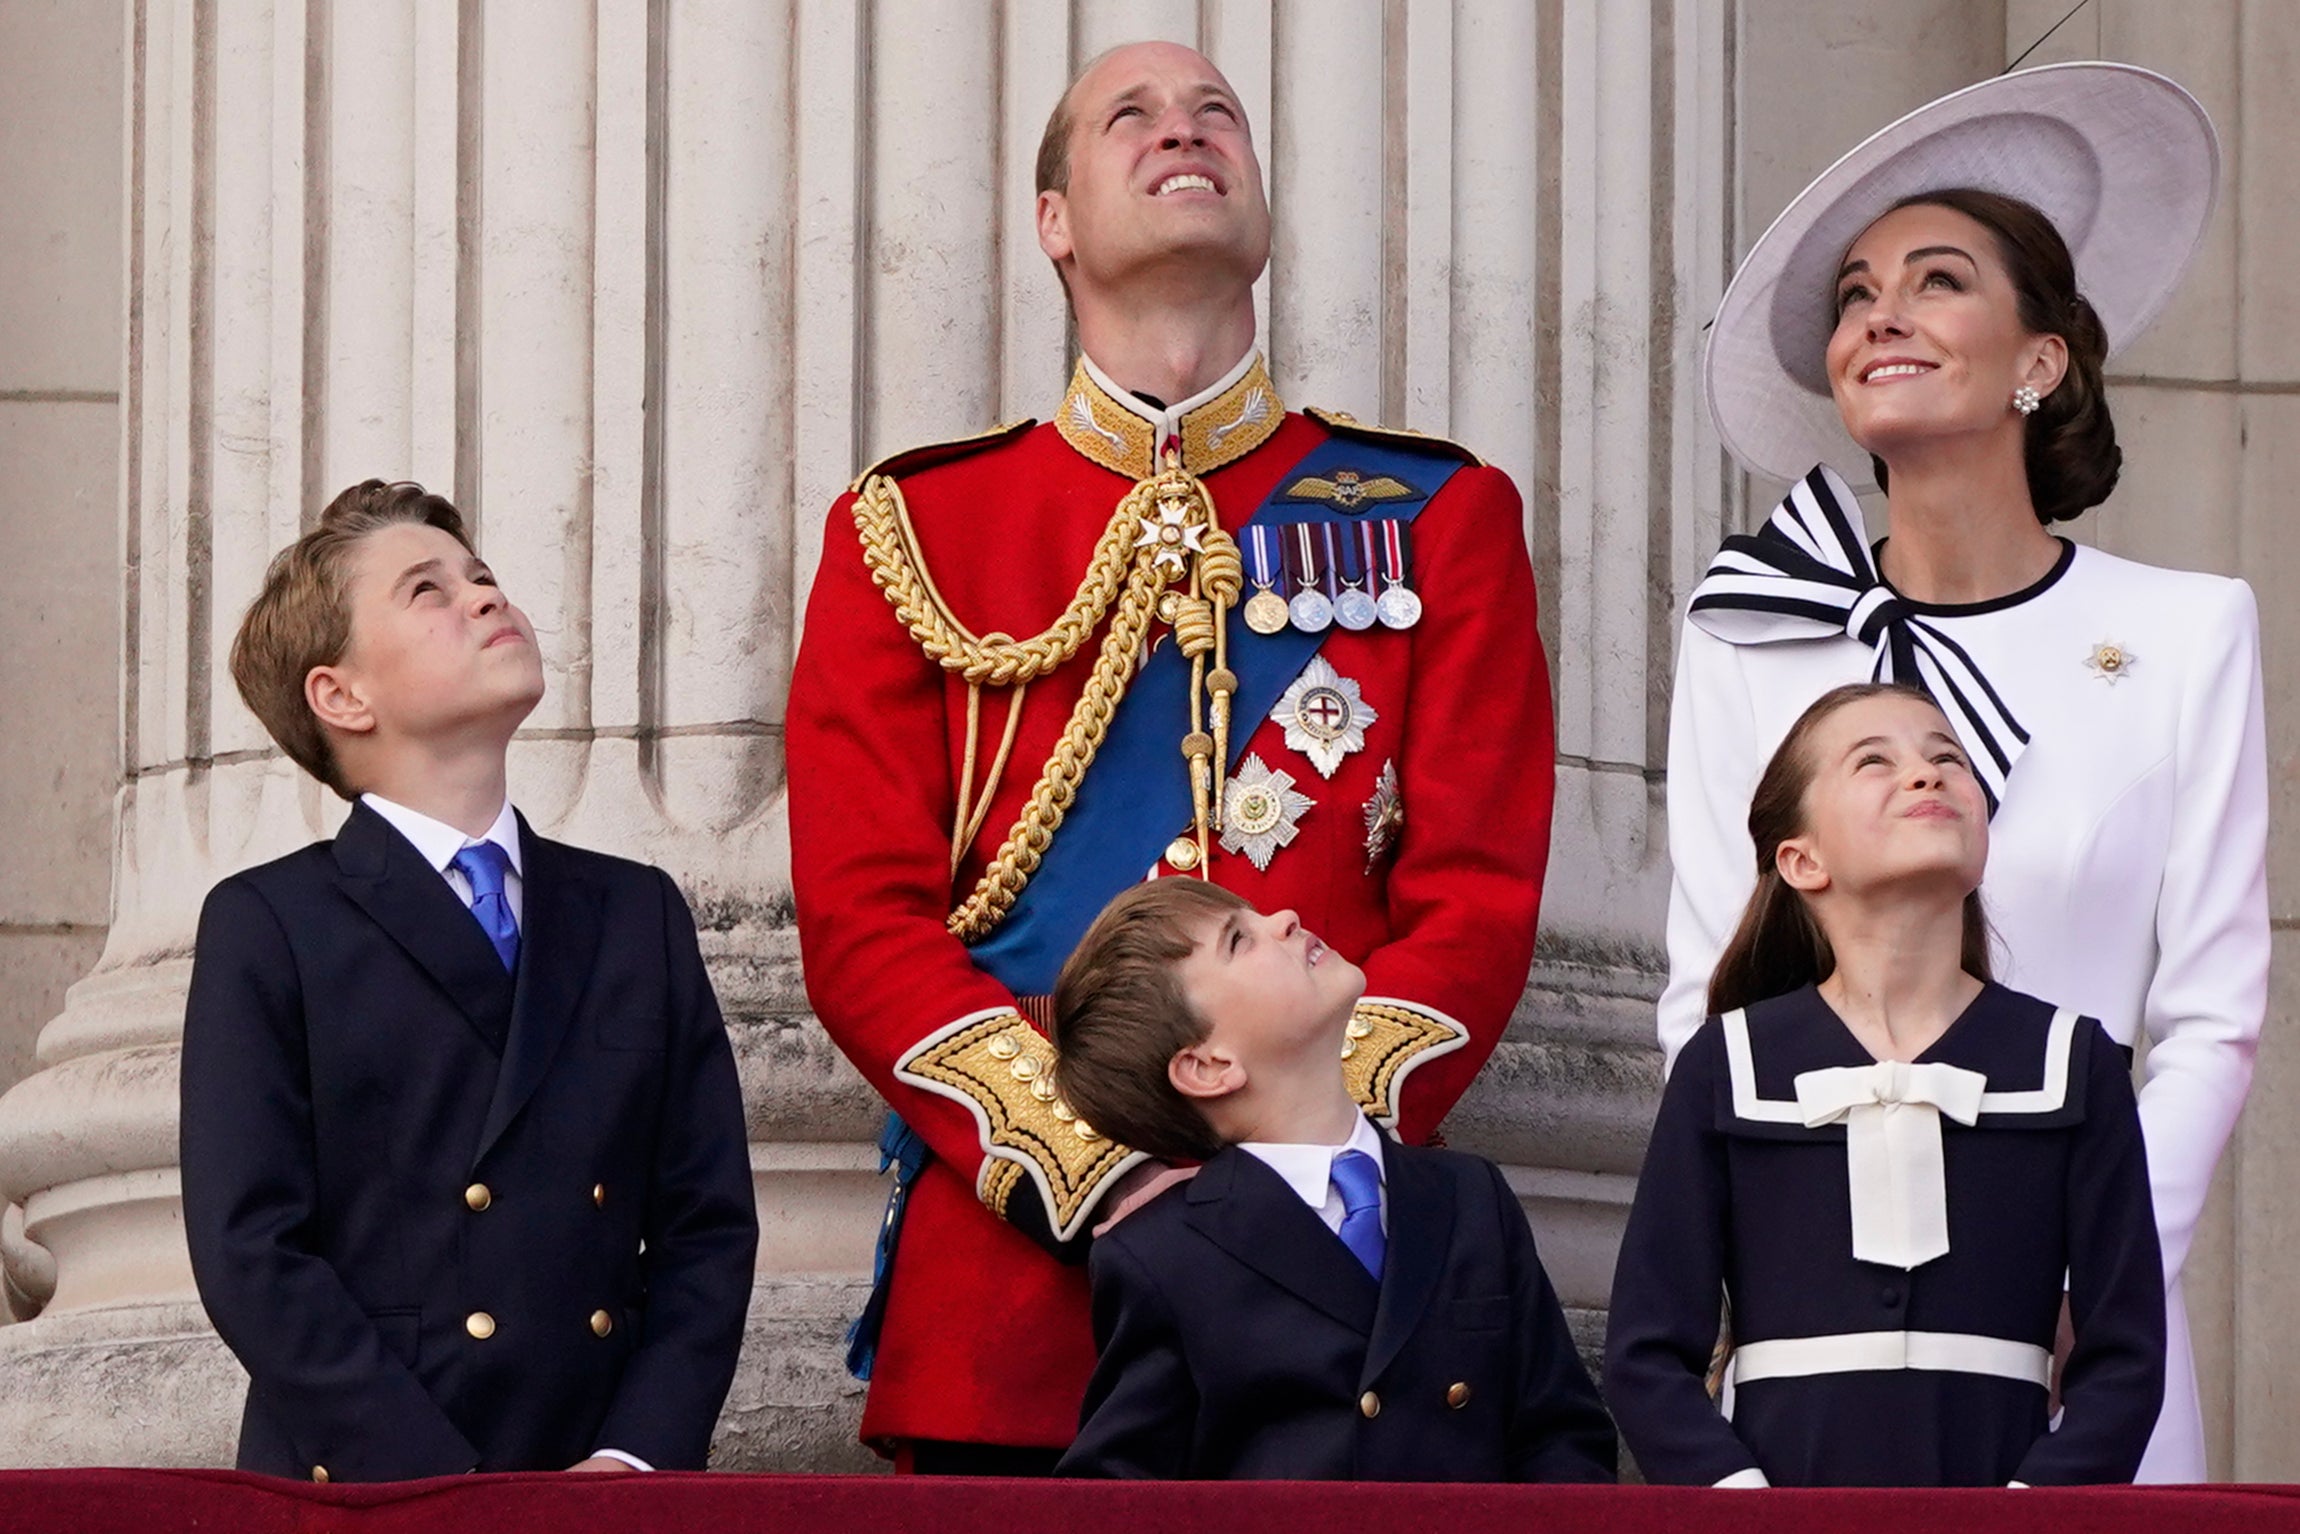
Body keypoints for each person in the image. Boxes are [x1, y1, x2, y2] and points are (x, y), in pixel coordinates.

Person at [785, 40, 1556, 1472]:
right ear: (1055, 221)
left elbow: (1479, 897)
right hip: (1013, 1302)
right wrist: (1096, 1161)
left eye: (1220, 115)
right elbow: (859, 920)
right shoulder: (913, 530)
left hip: (1343, 1307)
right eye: (1128, 116)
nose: (1184, 131)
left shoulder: (1439, 512)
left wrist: (1299, 1144)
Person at [1662, 63, 2259, 1481]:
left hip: (2085, 1335)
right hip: (1821, 1324)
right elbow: (1708, 997)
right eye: (1858, 293)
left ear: (2041, 358)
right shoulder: (1751, 634)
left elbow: (2213, 1014)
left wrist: (2093, 1271)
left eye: (1937, 281)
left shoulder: (2185, 631)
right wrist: (1776, 1265)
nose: (1881, 314)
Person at [180, 481, 759, 1482]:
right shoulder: (270, 923)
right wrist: (428, 1485)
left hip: (598, 1484)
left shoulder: (635, 914)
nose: (486, 597)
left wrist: (634, 1458)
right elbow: (251, 1250)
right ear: (340, 695)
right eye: (427, 590)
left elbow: (705, 1224)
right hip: (376, 1486)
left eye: (483, 577)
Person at [1611, 683, 2164, 1486]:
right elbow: (1646, 1355)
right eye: (1876, 761)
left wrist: (2037, 1508)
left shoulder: (2072, 1061)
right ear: (1801, 859)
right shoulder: (1725, 1065)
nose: (1927, 775)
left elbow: (2125, 1358)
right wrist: (1737, 1502)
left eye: (1949, 758)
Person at [1046, 879, 1613, 1481]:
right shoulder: (1162, 1254)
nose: (1286, 916)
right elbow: (1117, 1497)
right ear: (1208, 1066)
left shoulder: (1469, 1194)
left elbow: (1561, 1439)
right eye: (1239, 940)